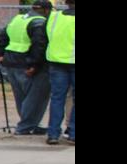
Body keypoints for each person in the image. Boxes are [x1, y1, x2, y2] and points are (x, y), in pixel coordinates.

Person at [0, 1, 51, 136]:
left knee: (22, 96)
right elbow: (39, 46)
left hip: (11, 62)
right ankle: (26, 126)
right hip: (26, 63)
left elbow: (2, 36)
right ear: (47, 10)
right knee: (36, 96)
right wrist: (34, 64)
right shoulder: (39, 23)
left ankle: (30, 124)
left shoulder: (18, 19)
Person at [44, 0, 75, 146]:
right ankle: (73, 134)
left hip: (56, 62)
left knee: (57, 99)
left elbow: (46, 37)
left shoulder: (54, 17)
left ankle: (53, 134)